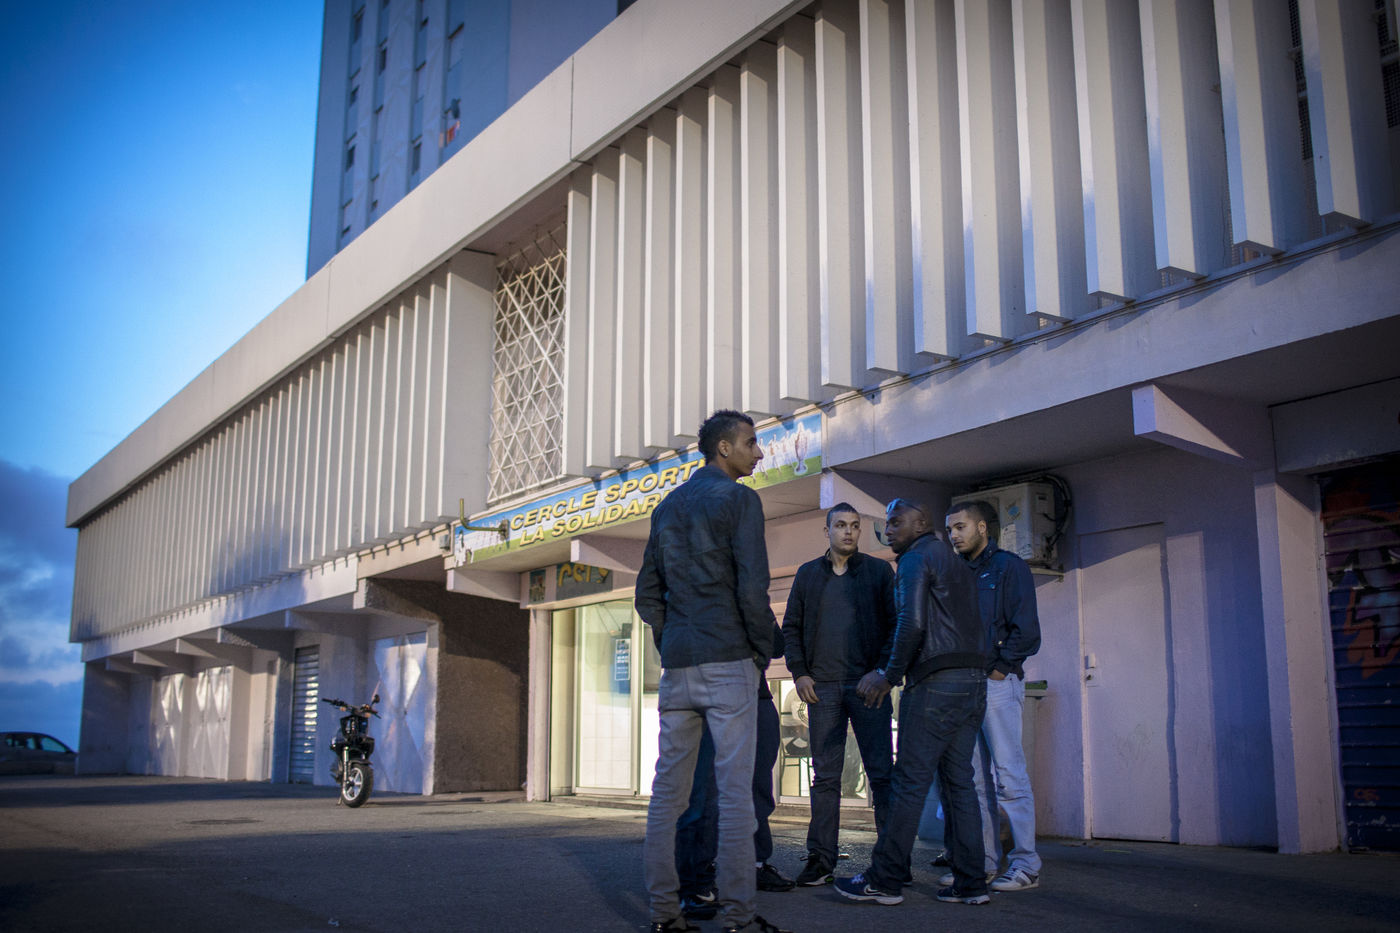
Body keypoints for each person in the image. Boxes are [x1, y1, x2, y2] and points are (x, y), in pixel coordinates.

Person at [635, 409, 793, 933]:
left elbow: (647, 594)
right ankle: (738, 918)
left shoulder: (668, 506)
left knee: (668, 797)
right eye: (751, 443)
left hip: (679, 665)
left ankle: (665, 914)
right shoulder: (739, 500)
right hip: (728, 660)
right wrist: (759, 650)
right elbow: (752, 587)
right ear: (723, 449)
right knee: (735, 797)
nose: (759, 452)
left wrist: (671, 641)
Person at [833, 498, 990, 907]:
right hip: (972, 683)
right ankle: (971, 883)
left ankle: (884, 881)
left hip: (935, 684)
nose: (888, 529)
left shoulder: (916, 559)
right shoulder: (956, 562)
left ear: (920, 524)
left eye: (896, 521)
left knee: (908, 783)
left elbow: (912, 622)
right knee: (959, 783)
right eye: (886, 523)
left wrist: (888, 674)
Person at [781, 503, 896, 887]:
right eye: (841, 525)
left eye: (855, 526)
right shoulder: (808, 574)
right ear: (827, 530)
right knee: (825, 778)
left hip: (868, 688)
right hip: (823, 689)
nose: (848, 531)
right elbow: (791, 627)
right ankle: (821, 861)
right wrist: (800, 673)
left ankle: (893, 861)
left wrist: (882, 673)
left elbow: (897, 626)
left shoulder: (878, 572)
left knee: (881, 775)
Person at [942, 499, 1042, 892]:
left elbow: (1027, 631)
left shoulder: (1009, 567)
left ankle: (1026, 864)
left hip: (997, 684)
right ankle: (980, 864)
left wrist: (1000, 668)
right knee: (974, 782)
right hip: (962, 685)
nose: (954, 535)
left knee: (1009, 778)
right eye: (950, 529)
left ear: (982, 527)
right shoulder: (953, 572)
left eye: (960, 527)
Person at [676, 623, 794, 921]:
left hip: (756, 696)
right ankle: (696, 879)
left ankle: (754, 864)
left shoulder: (751, 599)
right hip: (708, 695)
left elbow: (776, 646)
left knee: (758, 785)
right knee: (707, 790)